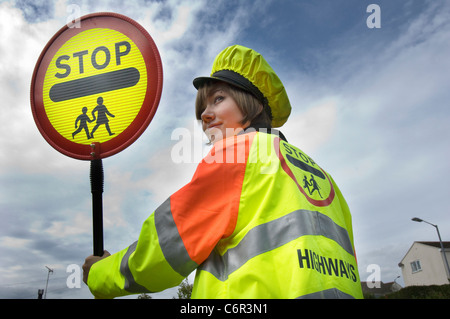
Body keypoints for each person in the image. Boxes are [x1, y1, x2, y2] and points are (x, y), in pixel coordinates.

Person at [83, 45, 363, 299]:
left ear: (253, 104)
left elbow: (167, 246)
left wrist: (100, 273)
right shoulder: (325, 179)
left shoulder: (239, 153)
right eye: (203, 108)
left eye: (218, 99)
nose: (204, 115)